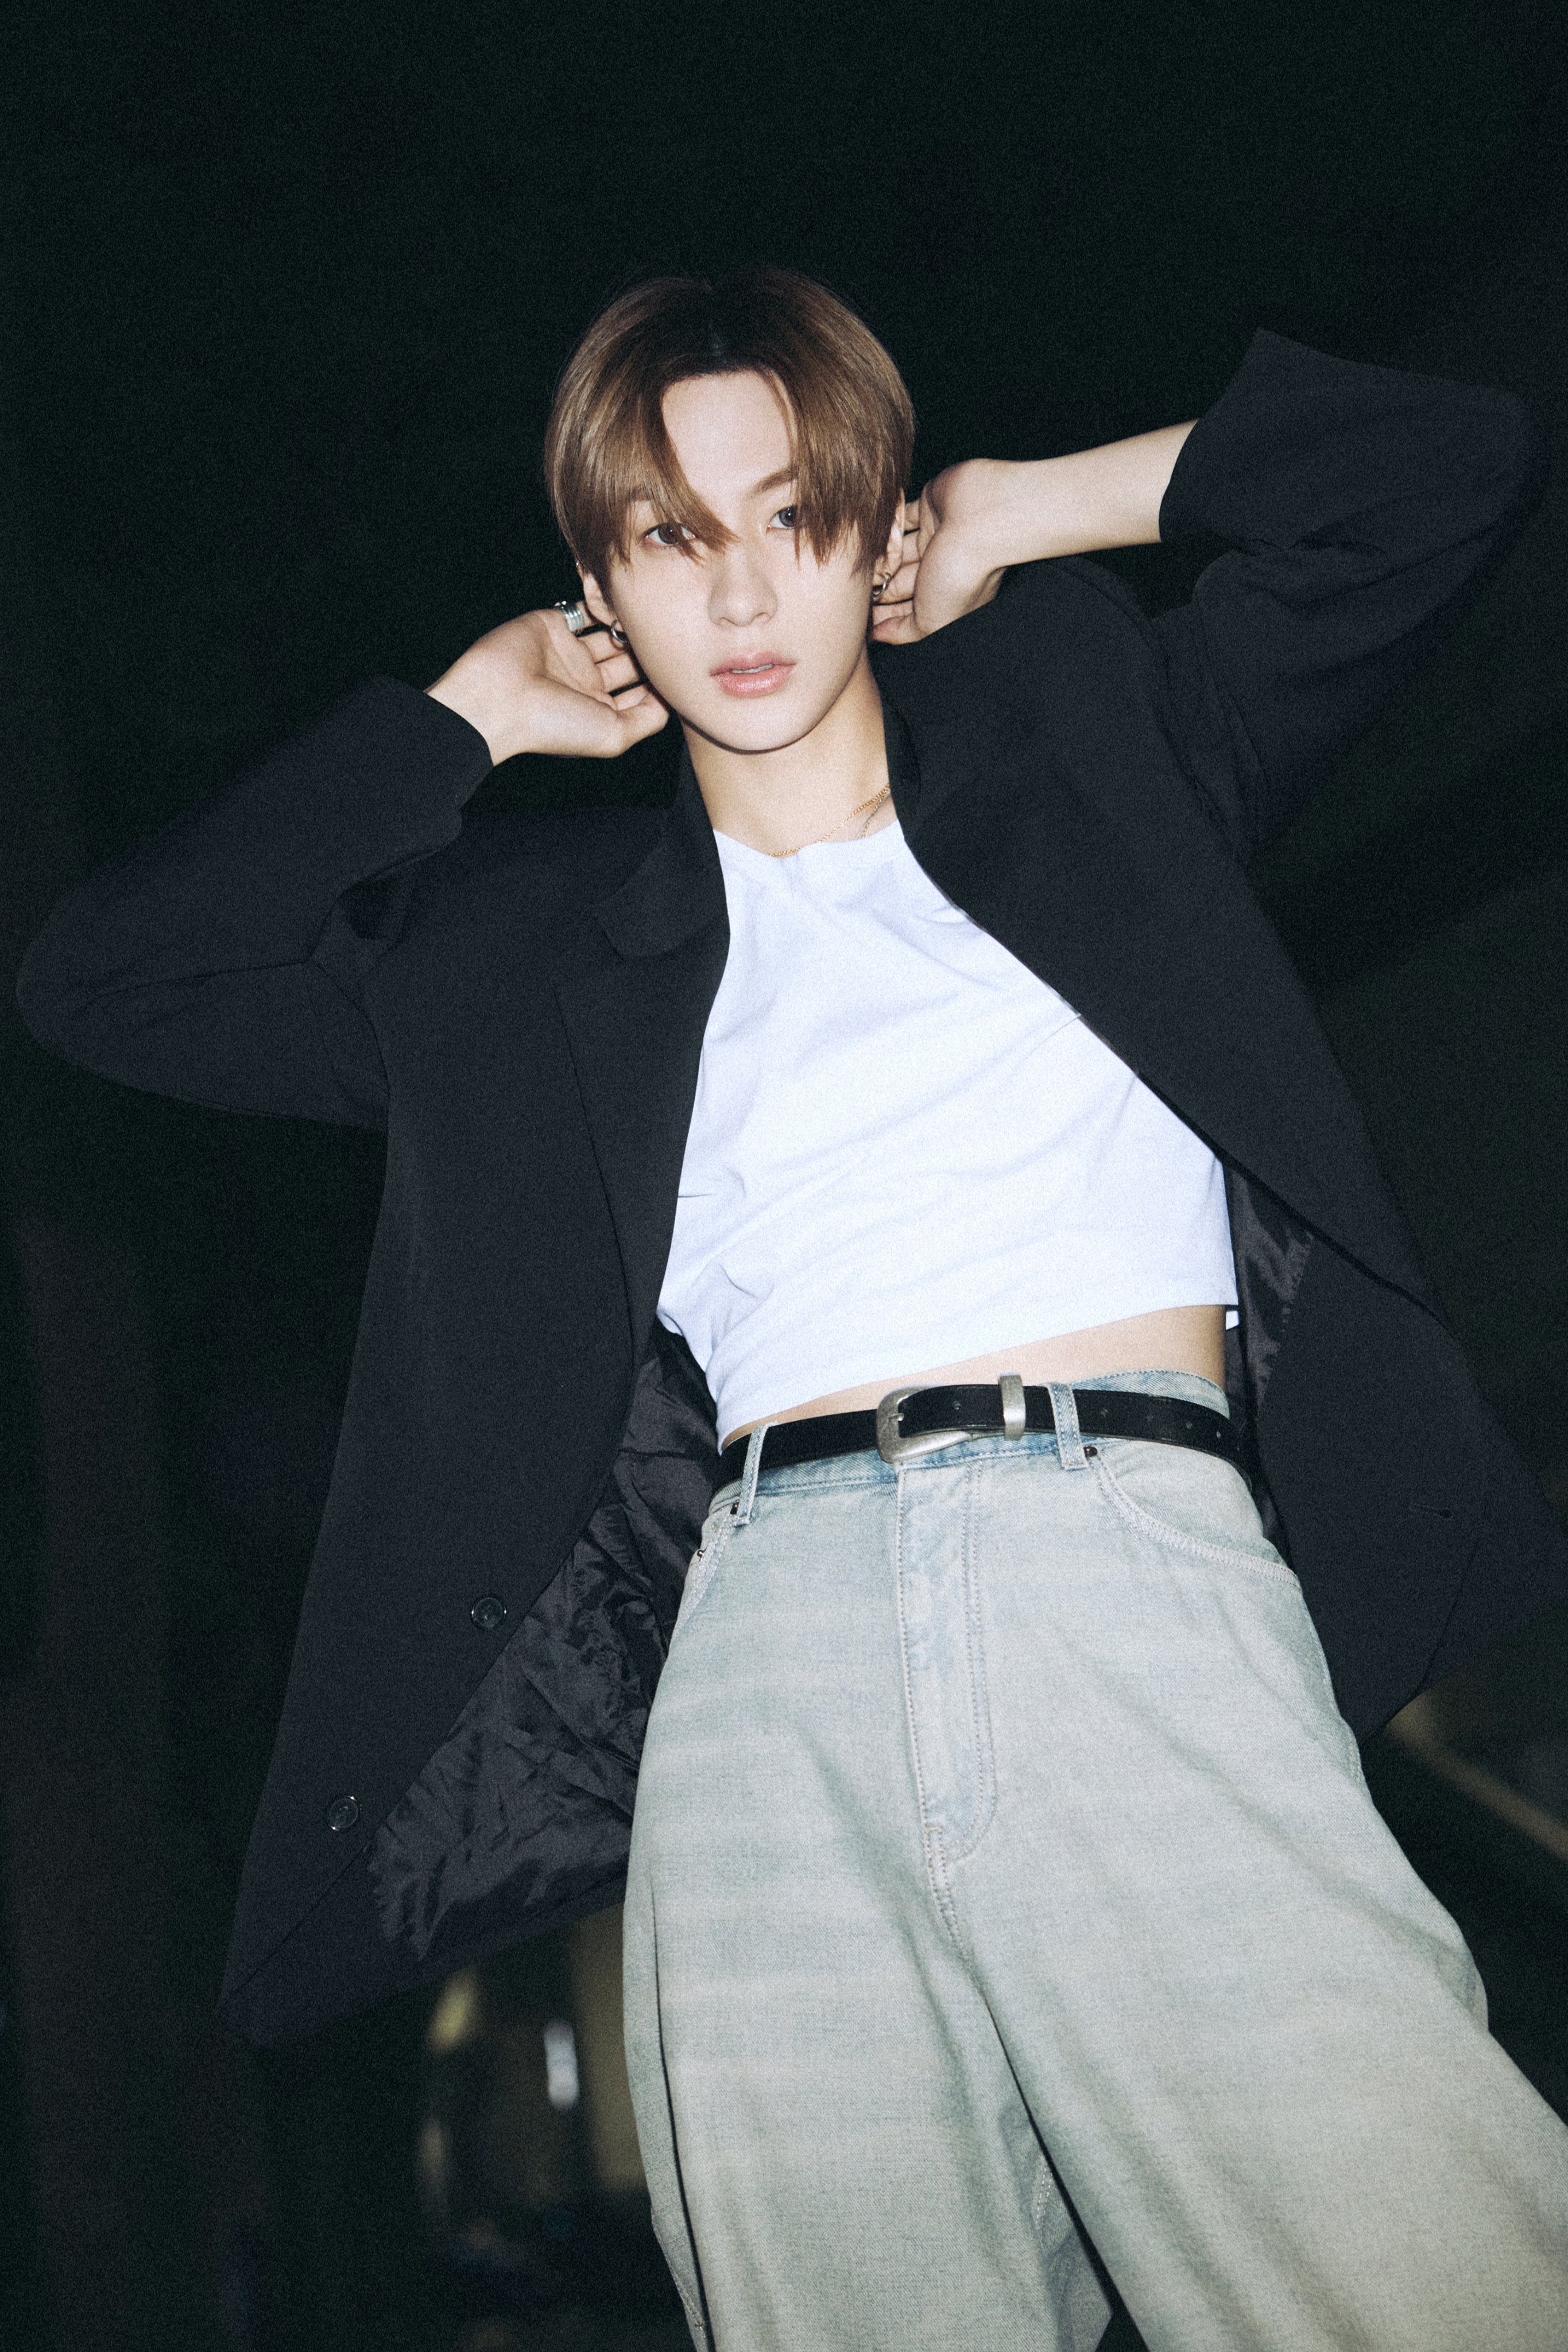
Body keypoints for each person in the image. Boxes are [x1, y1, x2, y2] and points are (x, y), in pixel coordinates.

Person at [18, 266, 1568, 2348]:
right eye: (670, 537)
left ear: (871, 532)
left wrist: (1027, 505)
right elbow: (108, 986)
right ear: (599, 587)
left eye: (793, 515)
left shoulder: (1101, 750)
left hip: (1117, 1564)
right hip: (761, 1661)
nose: (742, 591)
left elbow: (1445, 468)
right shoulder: (533, 954)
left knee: (1408, 2265)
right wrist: (461, 721)